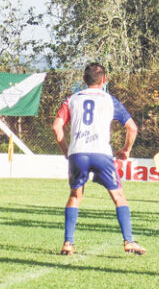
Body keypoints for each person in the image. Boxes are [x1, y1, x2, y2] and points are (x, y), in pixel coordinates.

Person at [52, 62, 145, 255]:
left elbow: (56, 127)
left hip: (78, 152)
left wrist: (66, 150)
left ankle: (68, 243)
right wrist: (126, 150)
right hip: (101, 153)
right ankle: (128, 241)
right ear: (104, 80)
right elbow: (132, 128)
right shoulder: (110, 100)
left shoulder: (72, 99)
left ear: (83, 80)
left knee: (75, 196)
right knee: (119, 197)